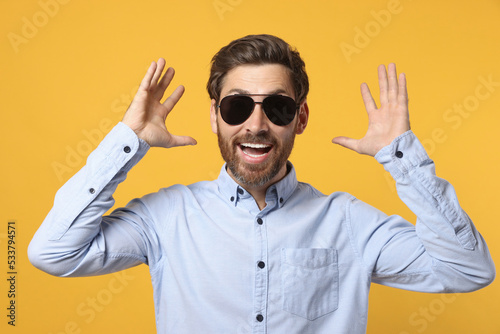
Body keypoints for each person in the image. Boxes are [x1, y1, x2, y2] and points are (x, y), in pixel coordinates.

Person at [29, 34, 495, 333]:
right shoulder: (166, 217)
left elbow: (469, 271)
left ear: (300, 118)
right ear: (215, 116)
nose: (256, 124)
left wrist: (403, 160)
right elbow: (52, 252)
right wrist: (128, 141)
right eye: (236, 107)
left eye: (277, 107)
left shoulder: (349, 222)